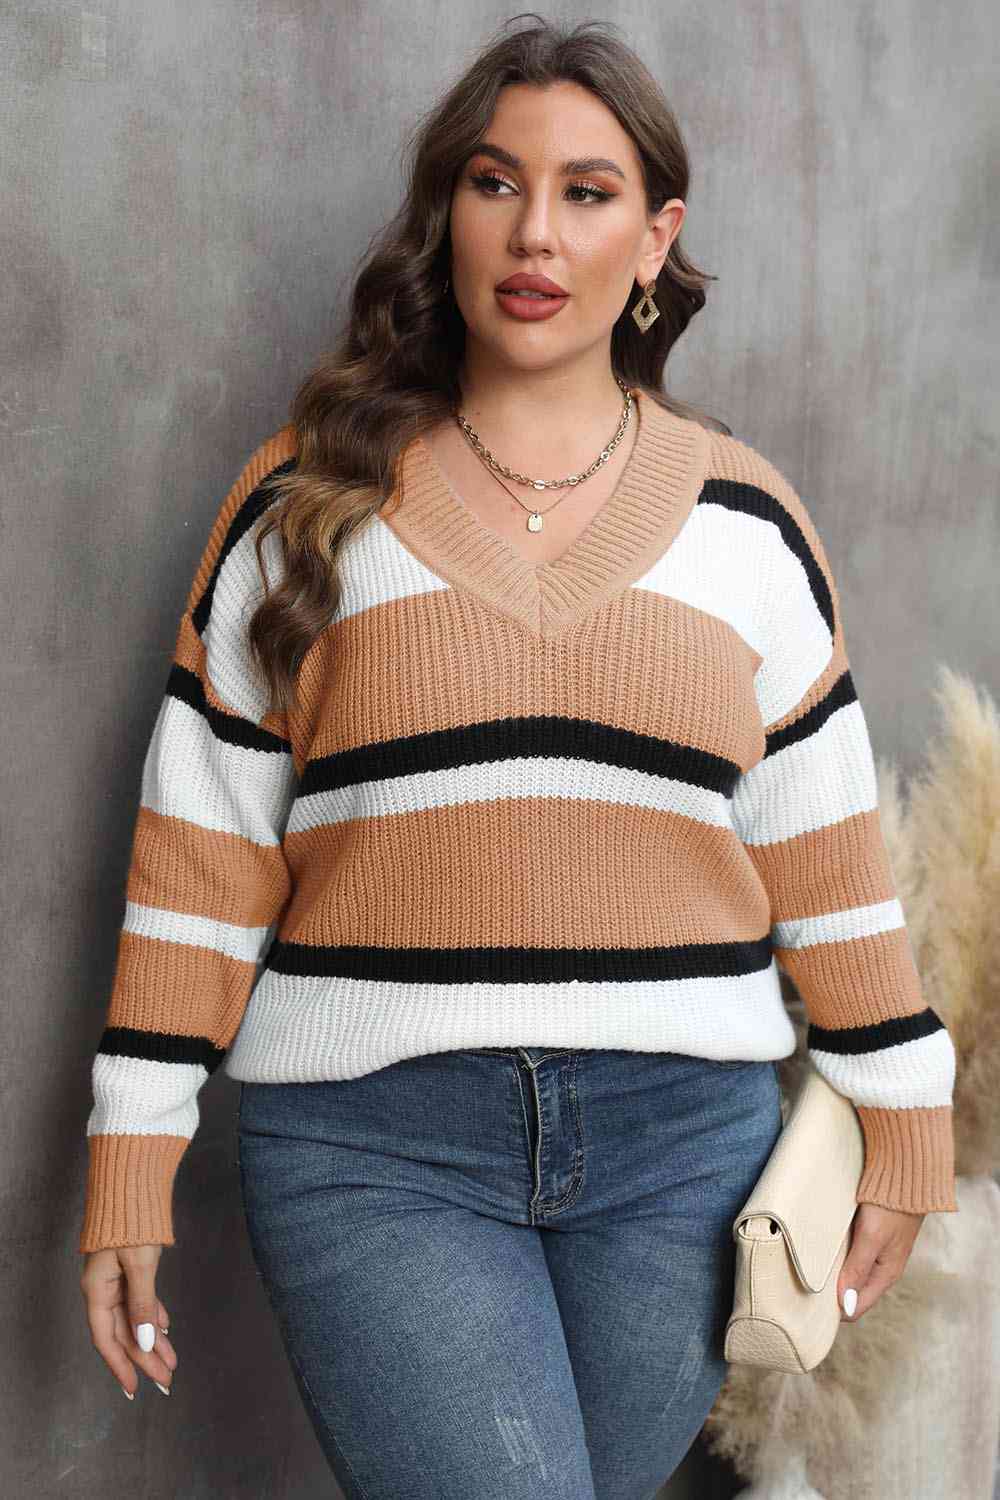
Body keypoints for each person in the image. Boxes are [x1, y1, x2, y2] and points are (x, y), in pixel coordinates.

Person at [78, 15, 958, 1498]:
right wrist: (132, 1153)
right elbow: (201, 858)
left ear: (656, 238)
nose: (535, 231)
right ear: (450, 212)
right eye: (496, 183)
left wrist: (906, 1119)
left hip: (686, 1160)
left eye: (587, 192)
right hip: (375, 1150)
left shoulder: (747, 526)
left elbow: (830, 866)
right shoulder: (306, 503)